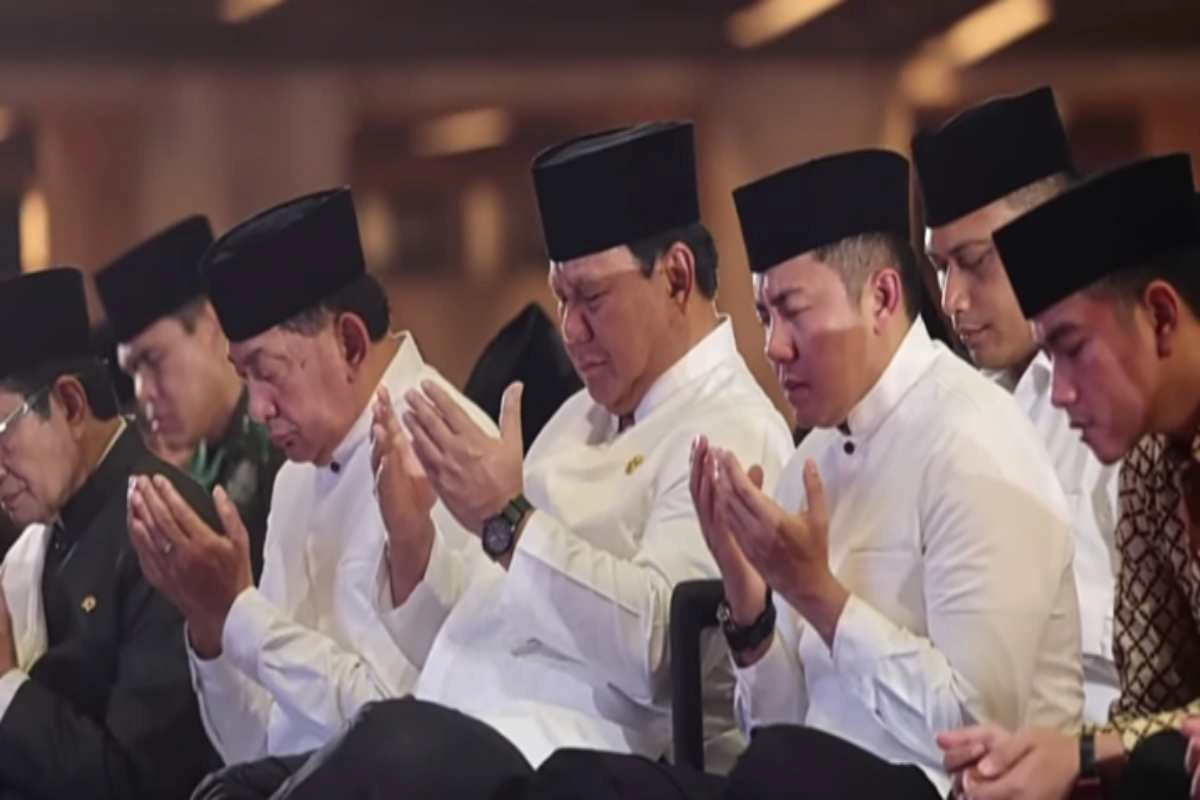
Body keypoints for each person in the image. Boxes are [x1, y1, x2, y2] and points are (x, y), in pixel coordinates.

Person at [249, 121, 795, 800]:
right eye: (561, 298)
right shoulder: (573, 419)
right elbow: (478, 623)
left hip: (577, 764)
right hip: (458, 732)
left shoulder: (731, 429)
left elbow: (662, 653)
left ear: (677, 277)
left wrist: (507, 522)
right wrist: (415, 543)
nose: (570, 329)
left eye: (592, 298)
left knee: (384, 748)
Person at [526, 148, 1084, 800]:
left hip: (946, 789)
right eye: (765, 316)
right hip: (808, 783)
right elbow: (779, 726)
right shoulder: (811, 458)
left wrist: (820, 596)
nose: (773, 346)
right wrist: (749, 603)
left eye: (793, 311)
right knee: (575, 780)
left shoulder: (975, 439)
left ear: (881, 298)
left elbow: (975, 730)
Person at [125, 188, 496, 770]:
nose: (257, 409)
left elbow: (410, 732)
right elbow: (253, 746)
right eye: (244, 377)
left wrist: (242, 614)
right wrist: (211, 624)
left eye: (267, 372)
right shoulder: (296, 478)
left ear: (349, 343)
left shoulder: (446, 445)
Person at [939, 157, 1200, 799]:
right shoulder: (1150, 465)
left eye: (1072, 347)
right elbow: (1152, 709)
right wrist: (1050, 756)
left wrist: (1083, 750)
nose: (1057, 393)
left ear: (1161, 316)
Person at [914, 85, 1120, 723]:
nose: (951, 300)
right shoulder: (955, 410)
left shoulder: (1125, 400)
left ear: (1053, 235)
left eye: (974, 263)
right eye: (940, 267)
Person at [0, 267, 218, 799]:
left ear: (71, 404)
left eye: (0, 433)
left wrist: (4, 685)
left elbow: (136, 783)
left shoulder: (165, 525)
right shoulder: (35, 545)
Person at [97, 215, 284, 581]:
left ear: (211, 325)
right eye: (133, 372)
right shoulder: (185, 473)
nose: (143, 392)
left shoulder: (282, 438)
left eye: (153, 360)